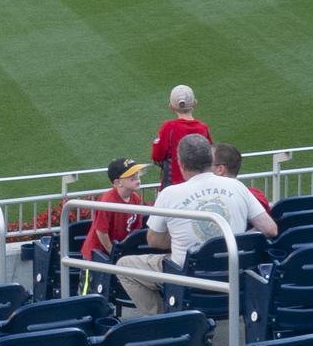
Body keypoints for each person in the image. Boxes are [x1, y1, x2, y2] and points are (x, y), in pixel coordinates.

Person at [118, 137, 277, 317]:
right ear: (210, 161)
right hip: (232, 274)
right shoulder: (237, 186)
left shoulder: (169, 194)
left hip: (187, 277)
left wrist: (185, 237)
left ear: (181, 164)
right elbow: (270, 229)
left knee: (123, 266)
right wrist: (237, 238)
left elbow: (154, 240)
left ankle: (162, 322)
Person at [78, 158, 151, 266]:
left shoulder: (135, 198)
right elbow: (101, 232)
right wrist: (113, 253)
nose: (137, 178)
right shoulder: (108, 201)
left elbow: (136, 228)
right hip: (96, 255)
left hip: (118, 251)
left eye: (137, 175)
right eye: (132, 177)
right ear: (118, 182)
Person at [149, 86, 213, 187]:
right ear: (195, 103)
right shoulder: (203, 128)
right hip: (200, 185)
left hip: (173, 186)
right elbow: (210, 154)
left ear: (171, 106)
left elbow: (157, 155)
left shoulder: (169, 127)